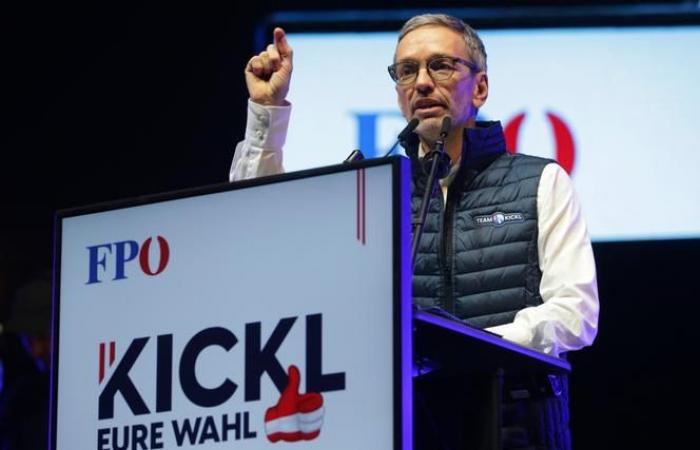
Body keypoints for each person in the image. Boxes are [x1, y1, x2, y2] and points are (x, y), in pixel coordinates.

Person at [229, 13, 599, 450]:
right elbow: (258, 231)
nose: (422, 83)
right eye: (407, 71)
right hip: (407, 425)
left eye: (440, 65)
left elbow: (576, 315)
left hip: (514, 425)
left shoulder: (541, 181)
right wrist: (266, 113)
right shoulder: (371, 193)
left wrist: (468, 348)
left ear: (480, 87)